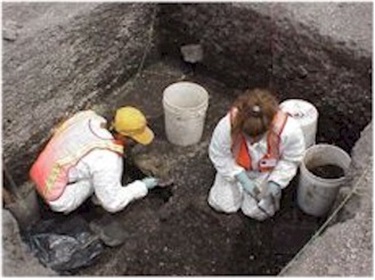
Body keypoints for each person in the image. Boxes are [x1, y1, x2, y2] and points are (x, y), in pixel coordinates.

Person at [30, 106, 160, 214]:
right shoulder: (108, 159)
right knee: (101, 182)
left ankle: (99, 191)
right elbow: (113, 204)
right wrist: (141, 186)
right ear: (122, 135)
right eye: (133, 140)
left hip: (40, 170)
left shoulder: (90, 118)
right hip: (56, 196)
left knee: (96, 171)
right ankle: (96, 202)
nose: (135, 143)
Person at [207, 88, 305, 221]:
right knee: (222, 204)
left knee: (257, 212)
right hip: (235, 169)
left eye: (257, 137)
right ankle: (237, 187)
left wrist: (276, 182)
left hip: (266, 172)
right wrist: (240, 177)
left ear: (270, 126)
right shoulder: (227, 126)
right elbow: (219, 154)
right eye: (247, 136)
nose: (252, 142)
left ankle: (261, 190)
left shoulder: (288, 131)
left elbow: (291, 159)